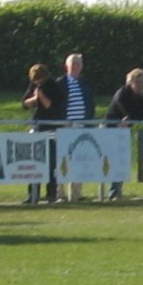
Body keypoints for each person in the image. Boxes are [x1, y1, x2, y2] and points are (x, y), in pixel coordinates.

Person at [22, 63, 66, 204]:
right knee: (33, 162)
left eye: (38, 80)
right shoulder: (34, 85)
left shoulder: (54, 87)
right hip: (37, 127)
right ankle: (33, 194)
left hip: (51, 128)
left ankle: (51, 194)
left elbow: (51, 107)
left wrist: (40, 96)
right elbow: (24, 103)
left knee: (51, 163)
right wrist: (34, 99)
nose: (36, 83)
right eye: (34, 81)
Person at [103, 68, 143, 200]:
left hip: (125, 129)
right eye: (137, 82)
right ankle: (111, 191)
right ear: (131, 82)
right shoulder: (122, 92)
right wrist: (129, 116)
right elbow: (123, 108)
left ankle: (117, 191)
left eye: (142, 82)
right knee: (110, 158)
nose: (140, 85)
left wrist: (131, 117)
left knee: (121, 159)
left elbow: (141, 115)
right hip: (111, 127)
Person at [55, 52, 95, 202]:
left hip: (82, 126)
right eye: (73, 64)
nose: (76, 67)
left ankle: (76, 193)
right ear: (67, 66)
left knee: (79, 160)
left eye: (78, 64)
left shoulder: (85, 83)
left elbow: (90, 103)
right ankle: (60, 193)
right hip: (65, 126)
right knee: (63, 159)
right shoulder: (60, 83)